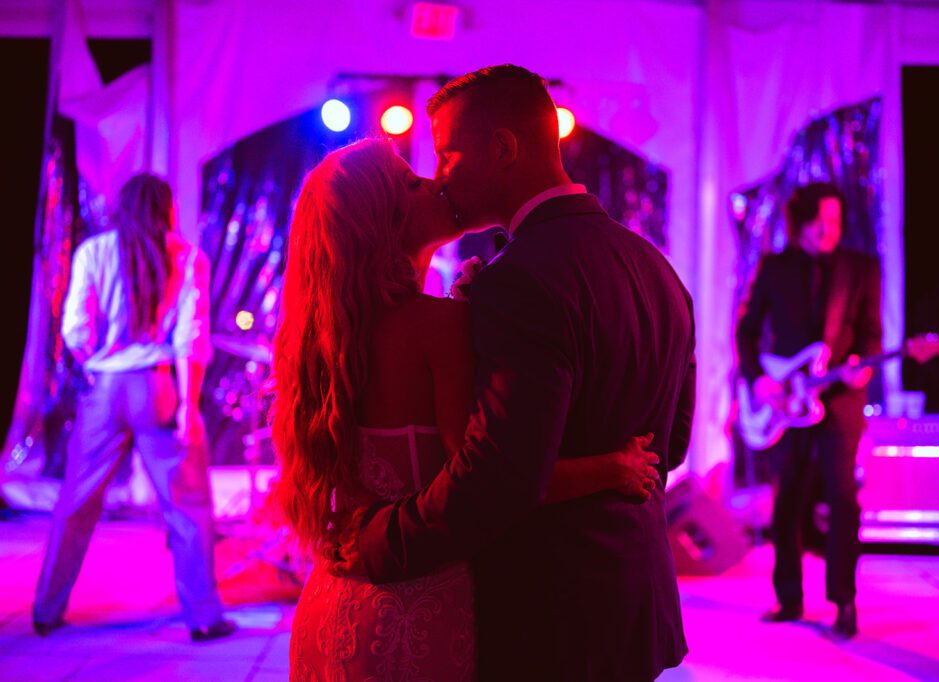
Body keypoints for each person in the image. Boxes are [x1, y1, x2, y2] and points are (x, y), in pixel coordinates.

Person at [335, 65, 695, 680]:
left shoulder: (520, 280)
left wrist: (373, 544)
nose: (441, 175)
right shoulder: (657, 269)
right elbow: (674, 446)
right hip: (641, 609)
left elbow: (499, 478)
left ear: (502, 148)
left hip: (550, 617)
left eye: (448, 155)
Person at [273, 139, 661, 680]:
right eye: (411, 183)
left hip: (331, 606)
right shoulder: (438, 327)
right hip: (414, 610)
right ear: (380, 222)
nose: (434, 183)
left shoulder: (319, 337)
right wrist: (612, 467)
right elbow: (487, 479)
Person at [33, 174, 235, 643]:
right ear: (167, 208)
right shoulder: (186, 257)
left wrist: (98, 363)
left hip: (105, 388)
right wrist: (187, 406)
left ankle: (46, 610)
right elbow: (191, 336)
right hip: (159, 386)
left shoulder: (93, 252)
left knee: (76, 501)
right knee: (188, 506)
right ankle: (204, 618)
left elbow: (76, 332)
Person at [735, 181, 882, 640]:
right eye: (822, 220)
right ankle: (790, 596)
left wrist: (863, 367)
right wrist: (759, 378)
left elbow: (873, 334)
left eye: (837, 221)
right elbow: (747, 332)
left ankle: (844, 601)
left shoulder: (860, 268)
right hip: (785, 400)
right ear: (800, 221)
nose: (830, 229)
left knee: (842, 496)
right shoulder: (774, 267)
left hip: (838, 399)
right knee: (788, 499)